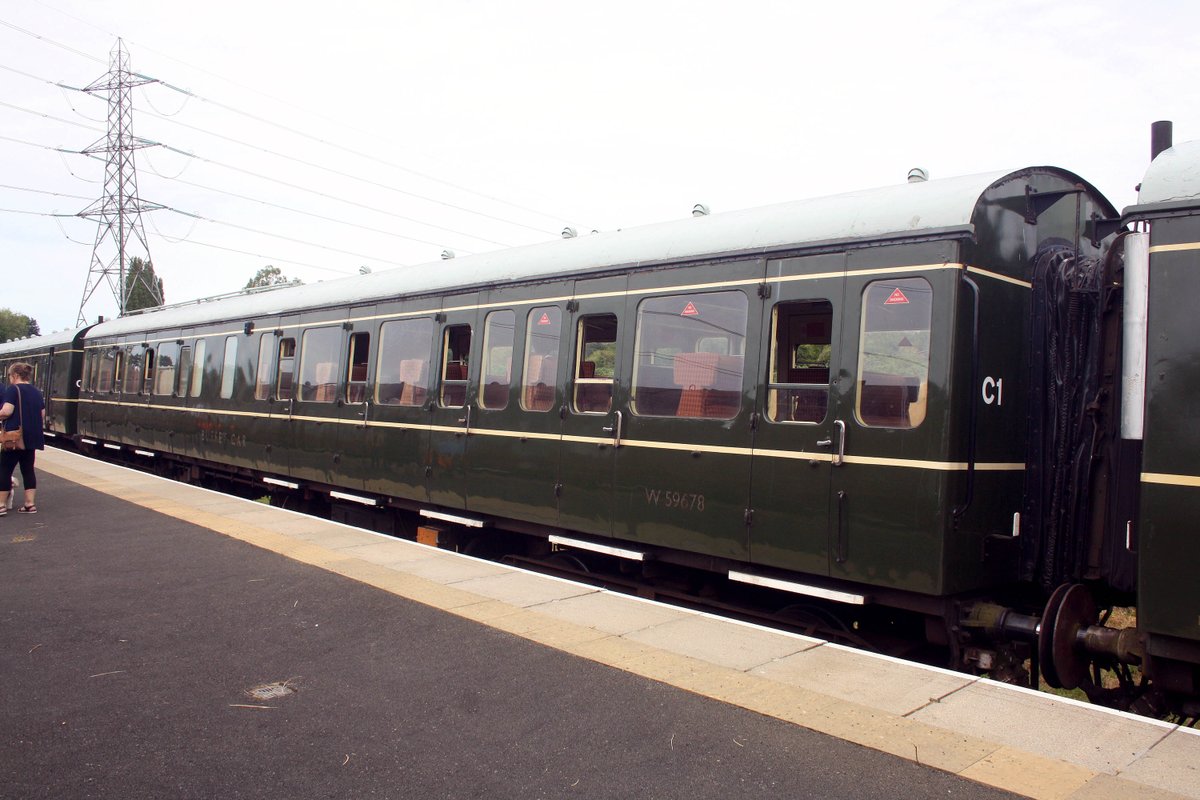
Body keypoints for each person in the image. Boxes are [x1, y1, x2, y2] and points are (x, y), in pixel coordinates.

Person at [0, 362, 46, 516]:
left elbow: (6, 411)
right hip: (32, 437)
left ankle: (1, 505)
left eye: (10, 376)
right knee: (28, 470)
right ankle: (29, 504)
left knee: (4, 469)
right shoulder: (36, 391)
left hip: (15, 437)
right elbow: (42, 414)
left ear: (15, 375)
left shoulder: (14, 389)